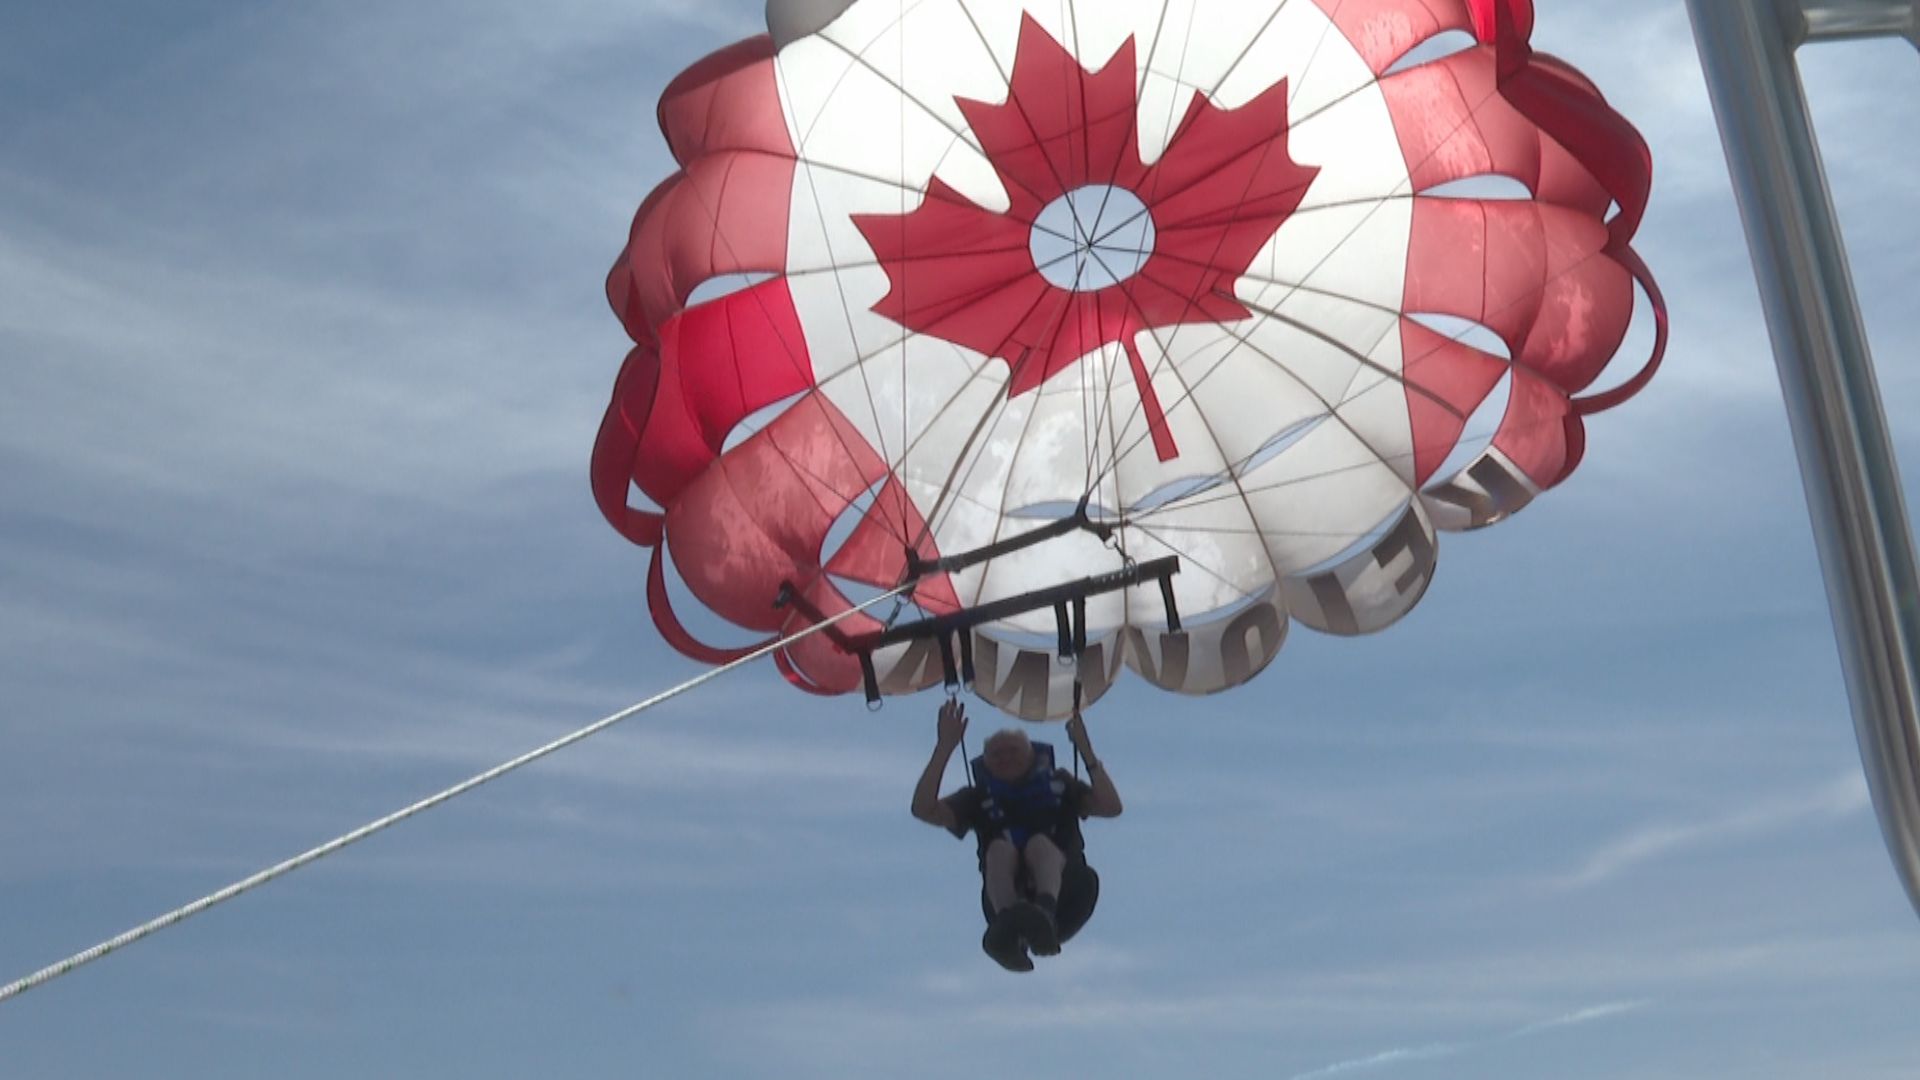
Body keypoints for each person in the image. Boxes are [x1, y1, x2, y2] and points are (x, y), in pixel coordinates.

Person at [910, 698, 1123, 972]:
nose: (1005, 758)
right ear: (985, 763)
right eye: (996, 754)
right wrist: (944, 748)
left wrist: (1085, 749)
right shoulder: (978, 798)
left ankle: (1042, 914)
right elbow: (923, 809)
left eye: (1013, 751)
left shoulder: (1060, 783)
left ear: (1032, 755)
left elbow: (1111, 807)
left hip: (1069, 897)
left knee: (1039, 845)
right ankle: (1007, 929)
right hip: (1004, 899)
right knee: (999, 850)